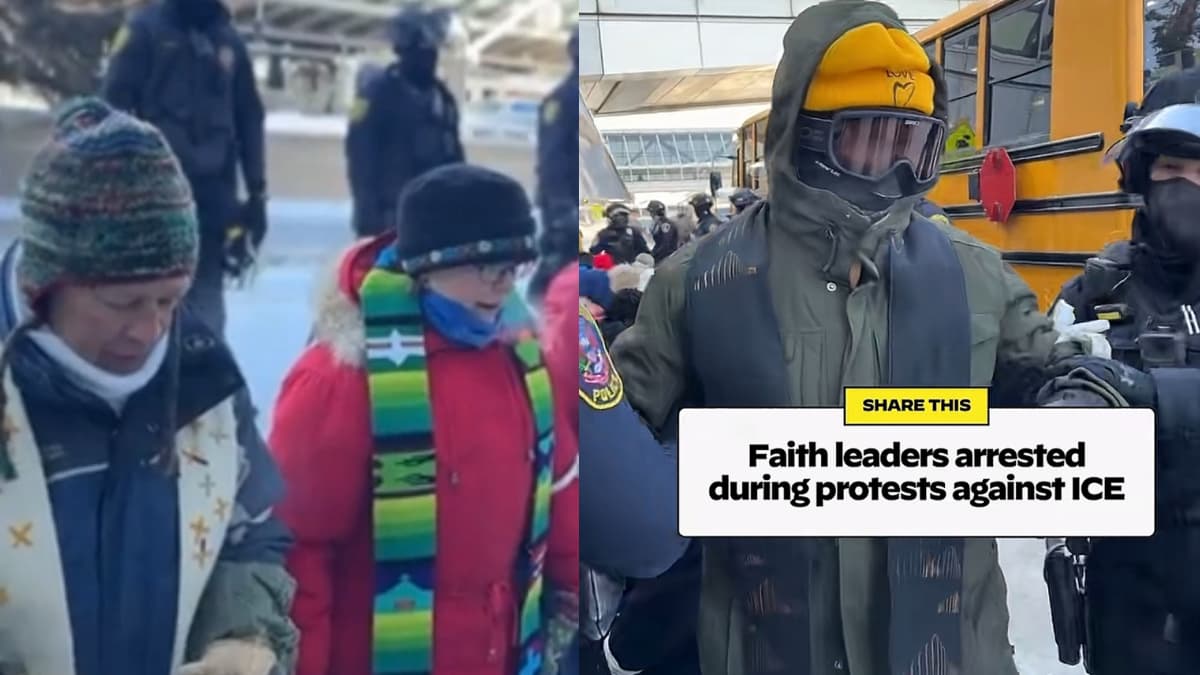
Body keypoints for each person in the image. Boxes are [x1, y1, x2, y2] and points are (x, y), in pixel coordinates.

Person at [608, 2, 1091, 673]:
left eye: (912, 143)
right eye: (867, 137)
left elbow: (1060, 374)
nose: (893, 166)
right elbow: (615, 440)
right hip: (760, 649)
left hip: (954, 652)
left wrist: (1082, 411)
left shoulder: (973, 273)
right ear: (803, 134)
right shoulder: (697, 282)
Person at [0, 98, 294, 675]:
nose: (151, 328)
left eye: (169, 299)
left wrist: (243, 636)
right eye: (122, 303)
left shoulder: (202, 380)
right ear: (45, 288)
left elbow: (250, 534)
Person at [268, 163, 578, 675]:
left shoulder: (522, 358)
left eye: (515, 266)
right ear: (425, 267)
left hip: (502, 651)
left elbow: (558, 490)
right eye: (485, 265)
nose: (503, 284)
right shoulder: (343, 377)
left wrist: (571, 600)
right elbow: (300, 548)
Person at [1041, 69, 1200, 674]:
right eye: (1173, 170)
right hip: (1132, 591)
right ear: (1141, 176)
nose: (1189, 188)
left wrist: (1151, 394)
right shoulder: (1093, 294)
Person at [102, 0, 268, 337]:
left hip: (212, 204)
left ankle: (202, 377)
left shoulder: (228, 41)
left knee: (206, 319)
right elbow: (110, 109)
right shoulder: (144, 31)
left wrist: (257, 194)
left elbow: (249, 117)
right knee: (151, 310)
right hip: (153, 201)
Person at [346, 7, 465, 238]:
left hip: (436, 217)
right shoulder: (375, 96)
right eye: (421, 51)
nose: (429, 58)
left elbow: (455, 158)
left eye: (432, 51)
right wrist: (367, 216)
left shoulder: (444, 100)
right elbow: (361, 159)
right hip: (389, 219)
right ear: (403, 51)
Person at [529, 28, 581, 303]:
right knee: (555, 270)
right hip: (561, 206)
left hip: (568, 203)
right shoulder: (561, 101)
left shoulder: (574, 98)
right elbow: (551, 159)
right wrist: (562, 209)